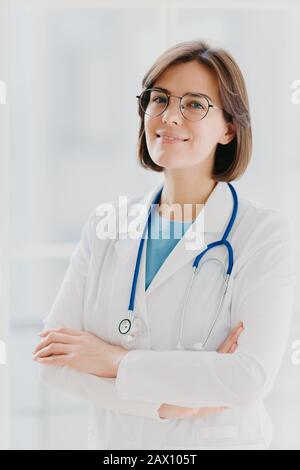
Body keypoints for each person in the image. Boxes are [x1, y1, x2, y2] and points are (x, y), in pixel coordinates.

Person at [32, 40, 295, 450]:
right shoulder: (106, 225)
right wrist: (165, 404)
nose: (170, 116)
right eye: (159, 99)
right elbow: (52, 364)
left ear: (229, 128)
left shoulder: (263, 235)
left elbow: (247, 378)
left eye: (194, 104)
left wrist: (115, 362)